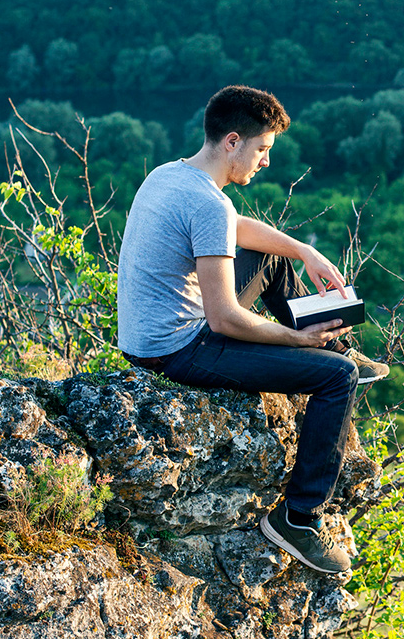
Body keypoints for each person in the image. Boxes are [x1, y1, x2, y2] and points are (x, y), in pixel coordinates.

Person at [117, 85, 388, 574]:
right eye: (262, 150)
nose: (265, 162)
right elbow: (223, 320)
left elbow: (235, 228)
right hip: (178, 348)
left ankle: (336, 341)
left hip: (147, 337)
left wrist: (303, 250)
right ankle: (298, 519)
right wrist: (296, 340)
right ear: (233, 142)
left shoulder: (169, 176)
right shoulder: (208, 204)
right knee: (336, 378)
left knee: (270, 252)